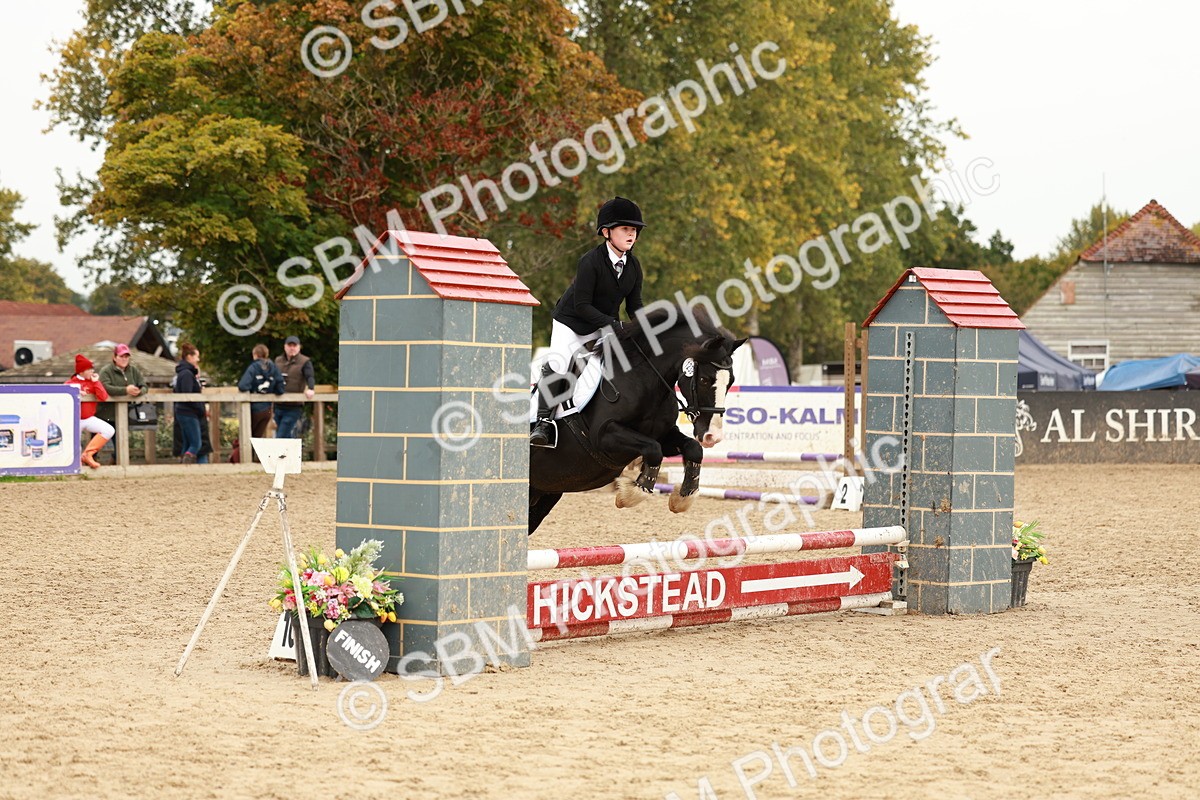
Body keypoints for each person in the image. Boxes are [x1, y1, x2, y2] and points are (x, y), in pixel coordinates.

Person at [530, 196, 646, 447]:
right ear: (606, 232)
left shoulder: (633, 266)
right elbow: (582, 306)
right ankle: (543, 423)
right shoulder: (590, 262)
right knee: (560, 365)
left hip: (602, 324)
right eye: (625, 229)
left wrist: (646, 328)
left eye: (634, 230)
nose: (631, 234)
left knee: (624, 363)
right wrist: (613, 325)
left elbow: (634, 305)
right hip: (571, 322)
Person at [232, 343, 285, 462]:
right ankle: (258, 462)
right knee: (257, 438)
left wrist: (253, 390)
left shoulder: (254, 367)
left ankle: (246, 462)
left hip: (254, 409)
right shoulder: (274, 368)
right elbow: (281, 389)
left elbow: (243, 385)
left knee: (247, 437)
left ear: (255, 355)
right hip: (267, 410)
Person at [97, 344, 149, 462]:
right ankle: (88, 462)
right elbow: (105, 387)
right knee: (97, 442)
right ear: (114, 357)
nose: (124, 359)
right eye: (121, 356)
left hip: (125, 413)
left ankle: (116, 462)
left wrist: (139, 391)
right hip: (105, 414)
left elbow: (144, 385)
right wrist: (125, 390)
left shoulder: (134, 370)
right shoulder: (106, 371)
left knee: (121, 443)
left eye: (126, 356)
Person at [65, 354, 113, 469]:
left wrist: (96, 382)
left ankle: (88, 454)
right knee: (75, 445)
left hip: (88, 418)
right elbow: (62, 391)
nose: (92, 371)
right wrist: (74, 390)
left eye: (92, 369)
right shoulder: (71, 382)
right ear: (81, 371)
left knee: (109, 430)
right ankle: (75, 467)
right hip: (74, 420)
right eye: (89, 369)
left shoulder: (92, 381)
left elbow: (103, 397)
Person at [173, 343, 208, 464]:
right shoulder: (187, 374)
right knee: (196, 444)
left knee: (187, 442)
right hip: (189, 412)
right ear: (189, 356)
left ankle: (183, 464)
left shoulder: (184, 373)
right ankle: (187, 462)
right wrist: (199, 408)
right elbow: (187, 395)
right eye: (196, 356)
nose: (198, 359)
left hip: (184, 411)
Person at [274, 335, 315, 439]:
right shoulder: (278, 361)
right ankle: (290, 455)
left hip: (293, 406)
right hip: (278, 404)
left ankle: (281, 455)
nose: (292, 348)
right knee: (286, 436)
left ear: (299, 347)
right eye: (289, 345)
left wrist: (311, 389)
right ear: (285, 347)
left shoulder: (305, 361)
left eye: (294, 345)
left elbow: (310, 376)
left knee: (281, 436)